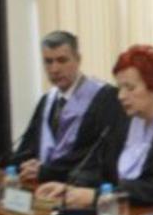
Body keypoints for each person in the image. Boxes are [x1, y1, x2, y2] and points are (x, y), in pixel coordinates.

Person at [36, 44, 153, 210]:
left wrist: (97, 196)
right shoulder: (128, 120)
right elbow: (100, 167)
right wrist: (70, 188)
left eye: (130, 88)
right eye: (120, 87)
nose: (121, 96)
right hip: (126, 214)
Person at [11, 31, 124, 185]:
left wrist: (48, 171)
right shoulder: (46, 101)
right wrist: (24, 165)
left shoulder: (106, 98)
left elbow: (96, 156)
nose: (54, 69)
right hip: (42, 187)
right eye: (48, 62)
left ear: (78, 59)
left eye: (62, 60)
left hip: (79, 188)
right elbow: (29, 147)